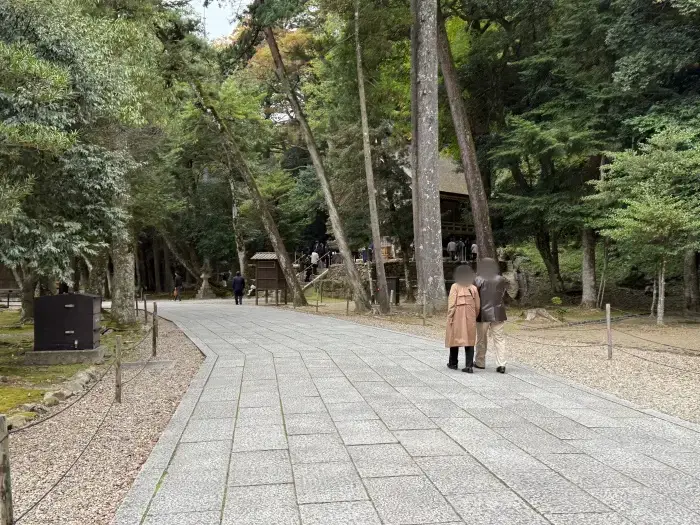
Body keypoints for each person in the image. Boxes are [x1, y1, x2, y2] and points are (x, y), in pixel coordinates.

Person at [474, 258, 508, 373]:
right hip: (498, 312)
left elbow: (474, 295)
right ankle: (501, 364)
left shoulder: (478, 279)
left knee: (481, 339)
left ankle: (480, 362)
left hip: (483, 313)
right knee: (499, 339)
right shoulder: (501, 279)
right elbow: (503, 294)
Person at [445, 265, 480, 373]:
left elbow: (452, 304)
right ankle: (469, 366)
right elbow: (477, 305)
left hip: (457, 315)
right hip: (470, 315)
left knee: (454, 338)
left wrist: (449, 317)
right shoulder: (473, 288)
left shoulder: (455, 287)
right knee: (470, 339)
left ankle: (453, 363)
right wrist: (474, 316)